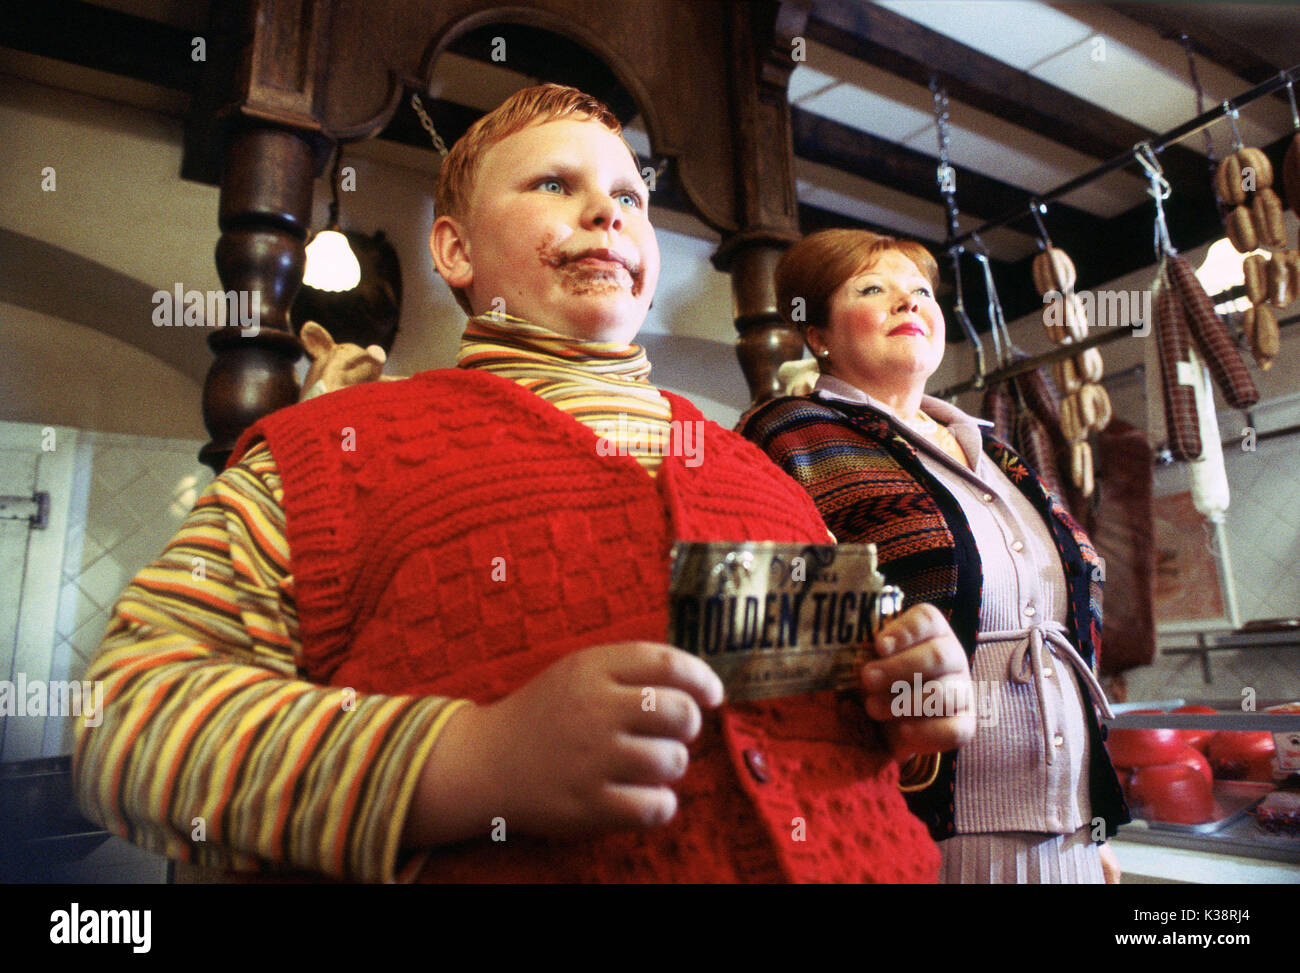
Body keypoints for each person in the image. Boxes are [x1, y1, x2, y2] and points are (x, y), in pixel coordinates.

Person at [74, 87, 975, 883]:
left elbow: (809, 725)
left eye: (629, 196)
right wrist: (470, 761)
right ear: (455, 249)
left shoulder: (762, 472)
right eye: (555, 185)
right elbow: (131, 717)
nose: (606, 214)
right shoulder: (331, 452)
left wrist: (902, 697)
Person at [738, 228, 1130, 883]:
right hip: (927, 833)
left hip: (1071, 830)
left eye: (921, 291)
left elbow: (1067, 614)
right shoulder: (784, 434)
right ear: (819, 333)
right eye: (873, 290)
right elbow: (760, 645)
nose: (908, 303)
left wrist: (1092, 811)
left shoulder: (995, 451)